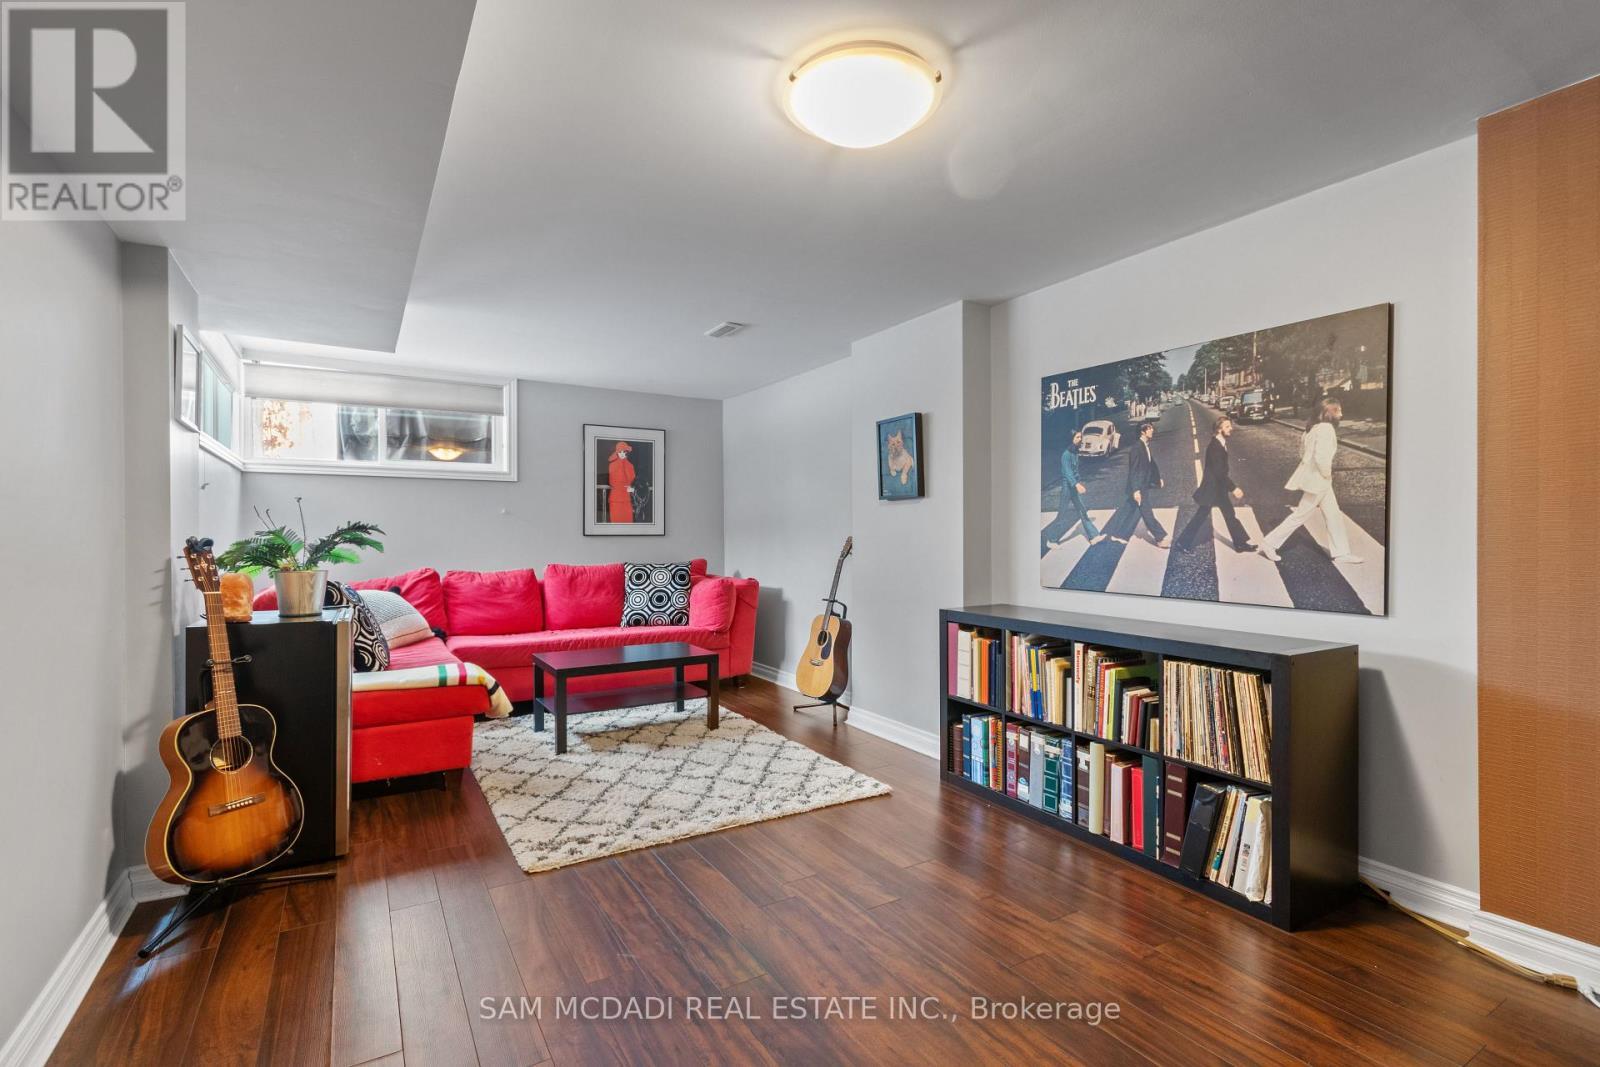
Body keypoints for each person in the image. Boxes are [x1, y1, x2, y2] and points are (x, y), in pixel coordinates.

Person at [1258, 399, 1364, 564]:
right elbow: (1321, 458)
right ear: (1328, 413)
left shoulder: (1311, 429)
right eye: (1338, 411)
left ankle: (1341, 553)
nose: (1341, 414)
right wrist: (1326, 474)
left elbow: (1303, 453)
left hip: (1316, 479)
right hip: (1319, 480)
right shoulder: (1326, 429)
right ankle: (1269, 543)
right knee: (1301, 515)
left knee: (1333, 515)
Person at [1175, 416, 1255, 553]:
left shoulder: (1220, 443)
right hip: (1212, 489)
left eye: (1230, 426)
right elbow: (1219, 473)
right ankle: (1182, 543)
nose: (1231, 429)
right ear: (1219, 429)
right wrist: (1233, 488)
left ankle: (1240, 543)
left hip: (1218, 488)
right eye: (1227, 426)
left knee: (1230, 514)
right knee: (1201, 516)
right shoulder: (1215, 447)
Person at [1097, 422, 1169, 548]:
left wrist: (1158, 480)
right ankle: (1160, 538)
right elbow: (1134, 470)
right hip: (1139, 486)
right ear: (1143, 432)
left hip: (1143, 484)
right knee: (1146, 512)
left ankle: (1119, 534)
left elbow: (1151, 464)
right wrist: (1136, 490)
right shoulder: (1136, 448)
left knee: (1129, 509)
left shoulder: (1144, 445)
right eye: (1149, 428)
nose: (1152, 430)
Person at [1041, 431, 1099, 552]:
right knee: (1062, 514)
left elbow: (1074, 471)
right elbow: (1067, 472)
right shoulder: (1066, 455)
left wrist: (1077, 482)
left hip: (1073, 486)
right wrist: (1076, 484)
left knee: (1082, 510)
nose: (1080, 439)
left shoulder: (1075, 452)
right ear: (1071, 439)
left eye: (1080, 437)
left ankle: (1093, 536)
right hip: (1068, 487)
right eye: (1077, 437)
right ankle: (1051, 539)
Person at [606, 441, 635, 523]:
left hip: (627, 498)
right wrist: (626, 488)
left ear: (627, 452)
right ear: (617, 453)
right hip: (616, 498)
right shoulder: (612, 465)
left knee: (628, 522)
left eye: (624, 451)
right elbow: (612, 482)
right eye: (620, 452)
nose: (622, 454)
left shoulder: (630, 466)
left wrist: (632, 488)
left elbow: (633, 480)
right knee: (616, 523)